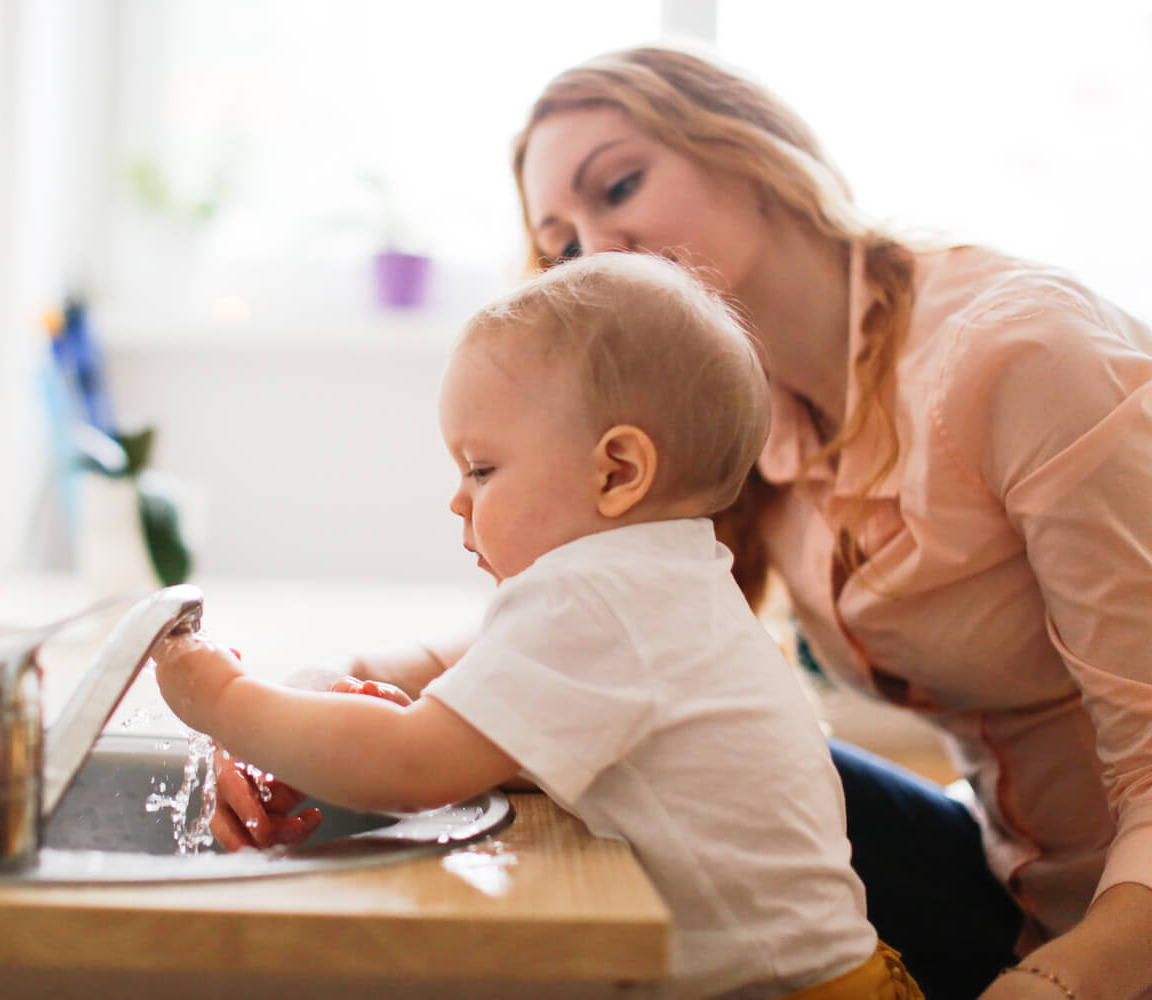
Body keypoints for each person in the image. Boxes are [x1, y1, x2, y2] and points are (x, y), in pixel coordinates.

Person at [225, 42, 1152, 1000]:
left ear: (751, 150)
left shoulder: (1024, 355)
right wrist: (327, 689)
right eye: (563, 243)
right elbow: (562, 641)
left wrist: (1061, 982)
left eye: (619, 184)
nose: (599, 248)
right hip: (1001, 883)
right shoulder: (721, 426)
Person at [156, 252, 923, 1000]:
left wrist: (218, 696)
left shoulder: (599, 596)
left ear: (617, 472)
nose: (458, 501)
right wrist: (321, 690)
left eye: (481, 469)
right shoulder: (664, 580)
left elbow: (407, 766)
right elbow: (426, 663)